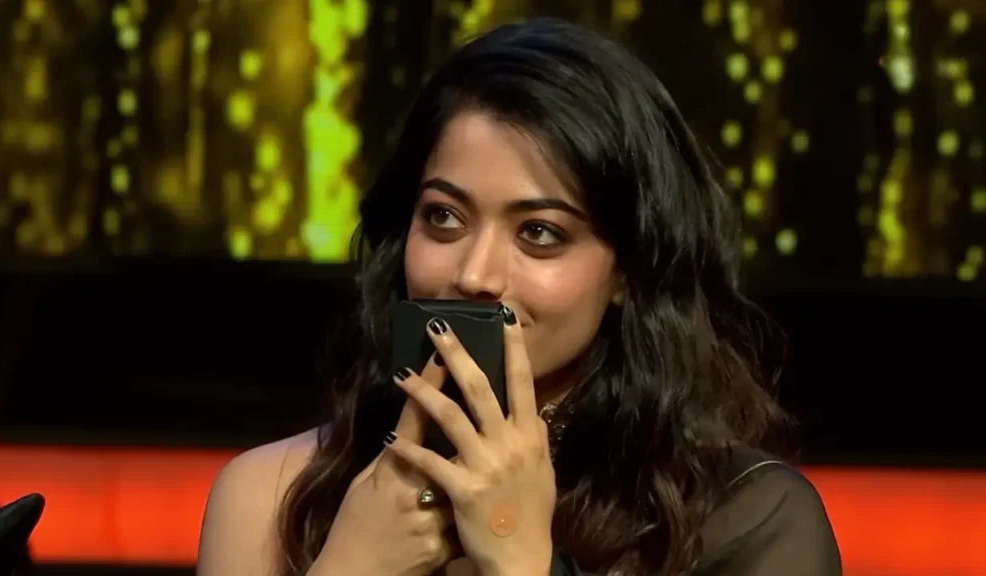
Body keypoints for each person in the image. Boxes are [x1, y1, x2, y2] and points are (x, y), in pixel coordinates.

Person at [197, 18, 841, 576]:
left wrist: (523, 563)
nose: (476, 274)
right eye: (445, 217)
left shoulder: (750, 520)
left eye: (539, 233)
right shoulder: (270, 496)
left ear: (626, 271)